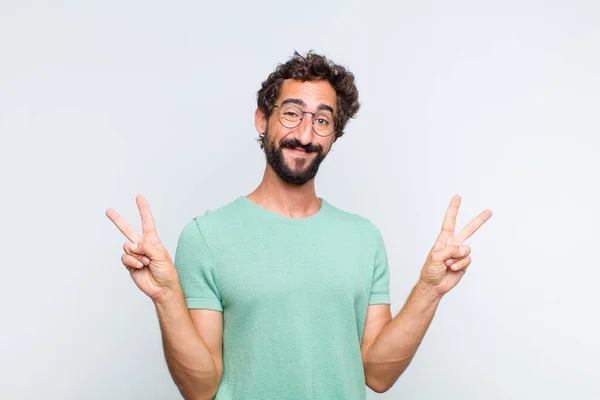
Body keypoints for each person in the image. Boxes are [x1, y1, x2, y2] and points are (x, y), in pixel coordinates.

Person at [106, 51, 492, 400]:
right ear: (263, 118)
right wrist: (167, 298)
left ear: (334, 136)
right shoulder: (206, 237)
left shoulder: (363, 239)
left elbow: (378, 374)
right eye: (291, 113)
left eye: (322, 121)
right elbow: (200, 387)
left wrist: (429, 290)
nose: (305, 135)